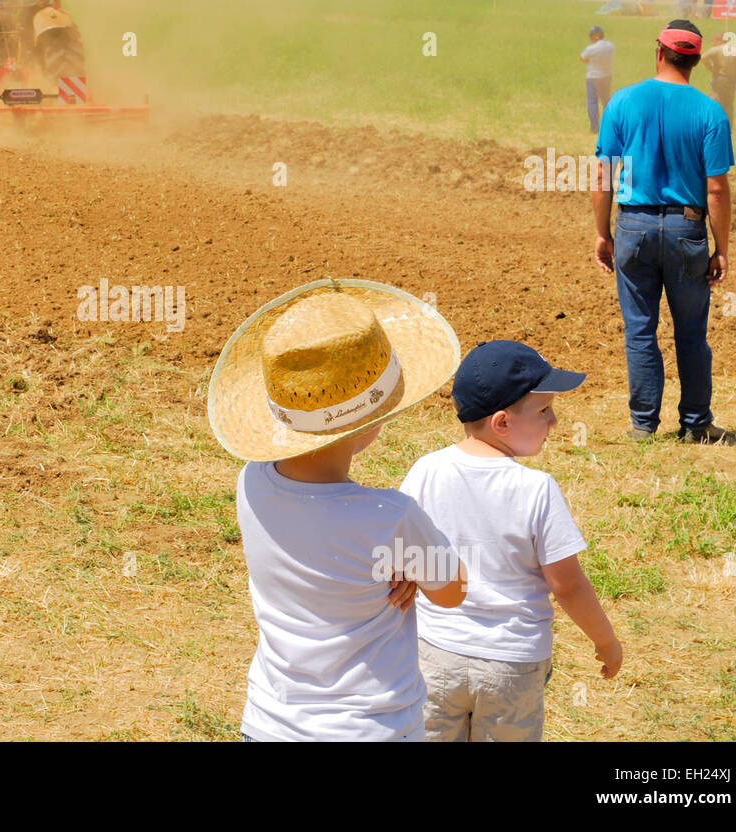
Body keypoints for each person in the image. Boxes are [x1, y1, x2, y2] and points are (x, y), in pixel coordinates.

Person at [208, 280, 468, 741]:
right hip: (370, 728)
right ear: (374, 421)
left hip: (270, 723)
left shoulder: (250, 481)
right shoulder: (391, 517)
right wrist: (410, 565)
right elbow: (451, 592)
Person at [400, 341, 622, 742]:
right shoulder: (536, 489)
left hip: (434, 654)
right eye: (544, 411)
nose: (554, 422)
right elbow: (566, 584)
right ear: (501, 423)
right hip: (511, 665)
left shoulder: (425, 470)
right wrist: (605, 640)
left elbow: (407, 556)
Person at [592, 19, 733, 443]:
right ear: (694, 60)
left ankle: (643, 426)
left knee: (640, 330)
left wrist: (603, 233)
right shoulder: (710, 112)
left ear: (659, 52)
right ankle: (695, 424)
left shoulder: (621, 101)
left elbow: (603, 175)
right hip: (687, 229)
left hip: (632, 227)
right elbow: (716, 188)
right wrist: (721, 247)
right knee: (691, 333)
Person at [579, 25, 615, 133]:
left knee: (592, 102)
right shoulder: (610, 46)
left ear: (596, 36)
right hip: (606, 76)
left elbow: (582, 58)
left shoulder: (592, 48)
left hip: (593, 77)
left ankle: (594, 127)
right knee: (606, 101)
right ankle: (609, 126)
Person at [702, 32, 736, 126]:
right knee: (729, 104)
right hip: (731, 80)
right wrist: (735, 81)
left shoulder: (717, 49)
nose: (713, 44)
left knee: (715, 101)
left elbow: (703, 57)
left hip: (719, 78)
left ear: (718, 41)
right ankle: (729, 126)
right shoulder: (734, 50)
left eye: (714, 41)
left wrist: (711, 68)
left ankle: (714, 125)